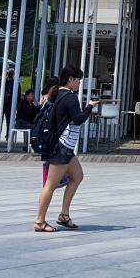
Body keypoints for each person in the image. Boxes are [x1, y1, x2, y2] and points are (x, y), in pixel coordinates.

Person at [34, 65, 98, 232]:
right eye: (77, 81)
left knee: (77, 176)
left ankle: (64, 215)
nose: (78, 84)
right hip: (61, 148)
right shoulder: (69, 97)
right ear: (70, 80)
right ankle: (39, 221)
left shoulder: (57, 94)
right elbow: (78, 119)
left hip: (65, 148)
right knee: (50, 185)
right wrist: (90, 107)